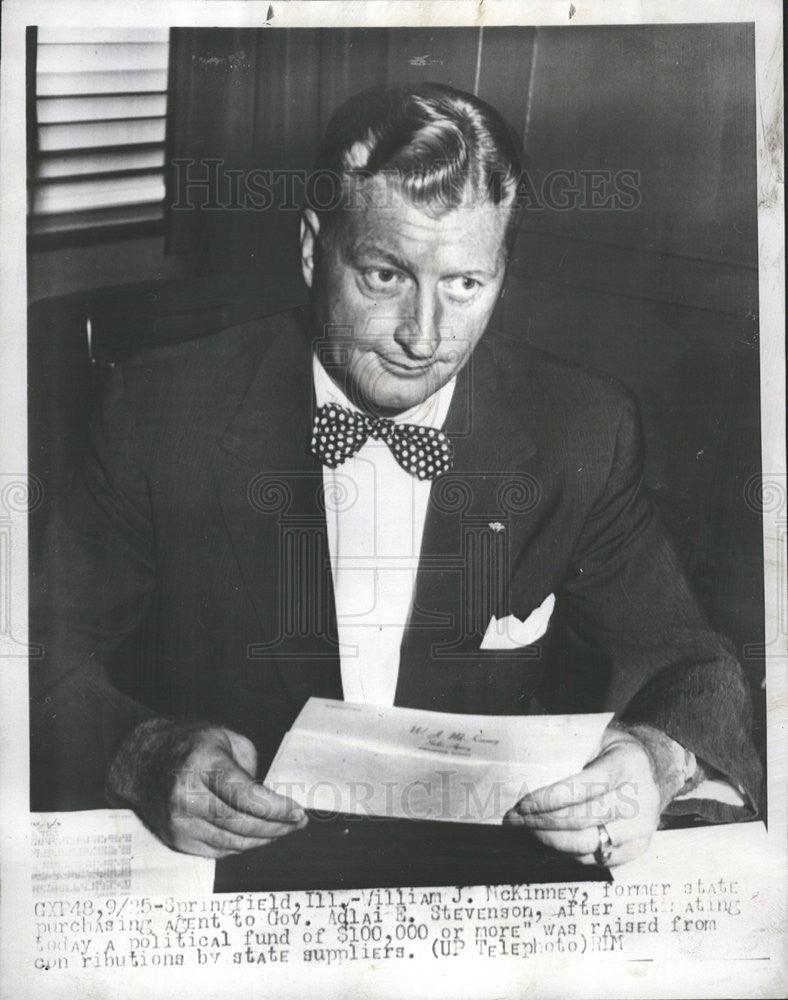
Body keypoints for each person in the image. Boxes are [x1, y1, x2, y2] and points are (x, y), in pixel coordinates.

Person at [30, 83, 761, 866]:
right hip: (231, 876)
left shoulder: (580, 426)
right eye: (385, 275)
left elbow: (695, 667)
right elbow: (40, 652)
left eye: (464, 285)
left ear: (502, 275)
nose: (424, 336)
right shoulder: (160, 410)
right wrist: (142, 752)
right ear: (314, 250)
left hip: (472, 884)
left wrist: (651, 760)